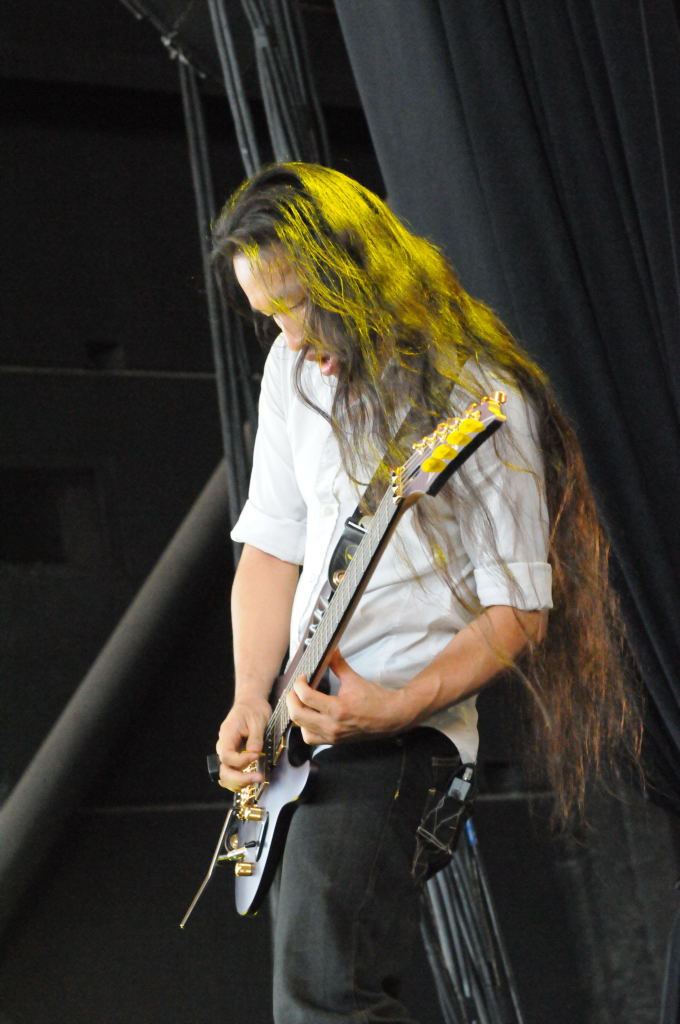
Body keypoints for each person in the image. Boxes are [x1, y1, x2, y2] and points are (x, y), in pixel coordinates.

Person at [211, 162, 640, 1024]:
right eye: (267, 314)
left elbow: (519, 611)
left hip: (406, 743)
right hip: (304, 740)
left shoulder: (474, 394)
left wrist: (398, 706)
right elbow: (271, 547)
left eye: (297, 304)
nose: (286, 334)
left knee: (327, 1002)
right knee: (327, 998)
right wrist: (250, 694)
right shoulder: (292, 373)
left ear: (351, 271)